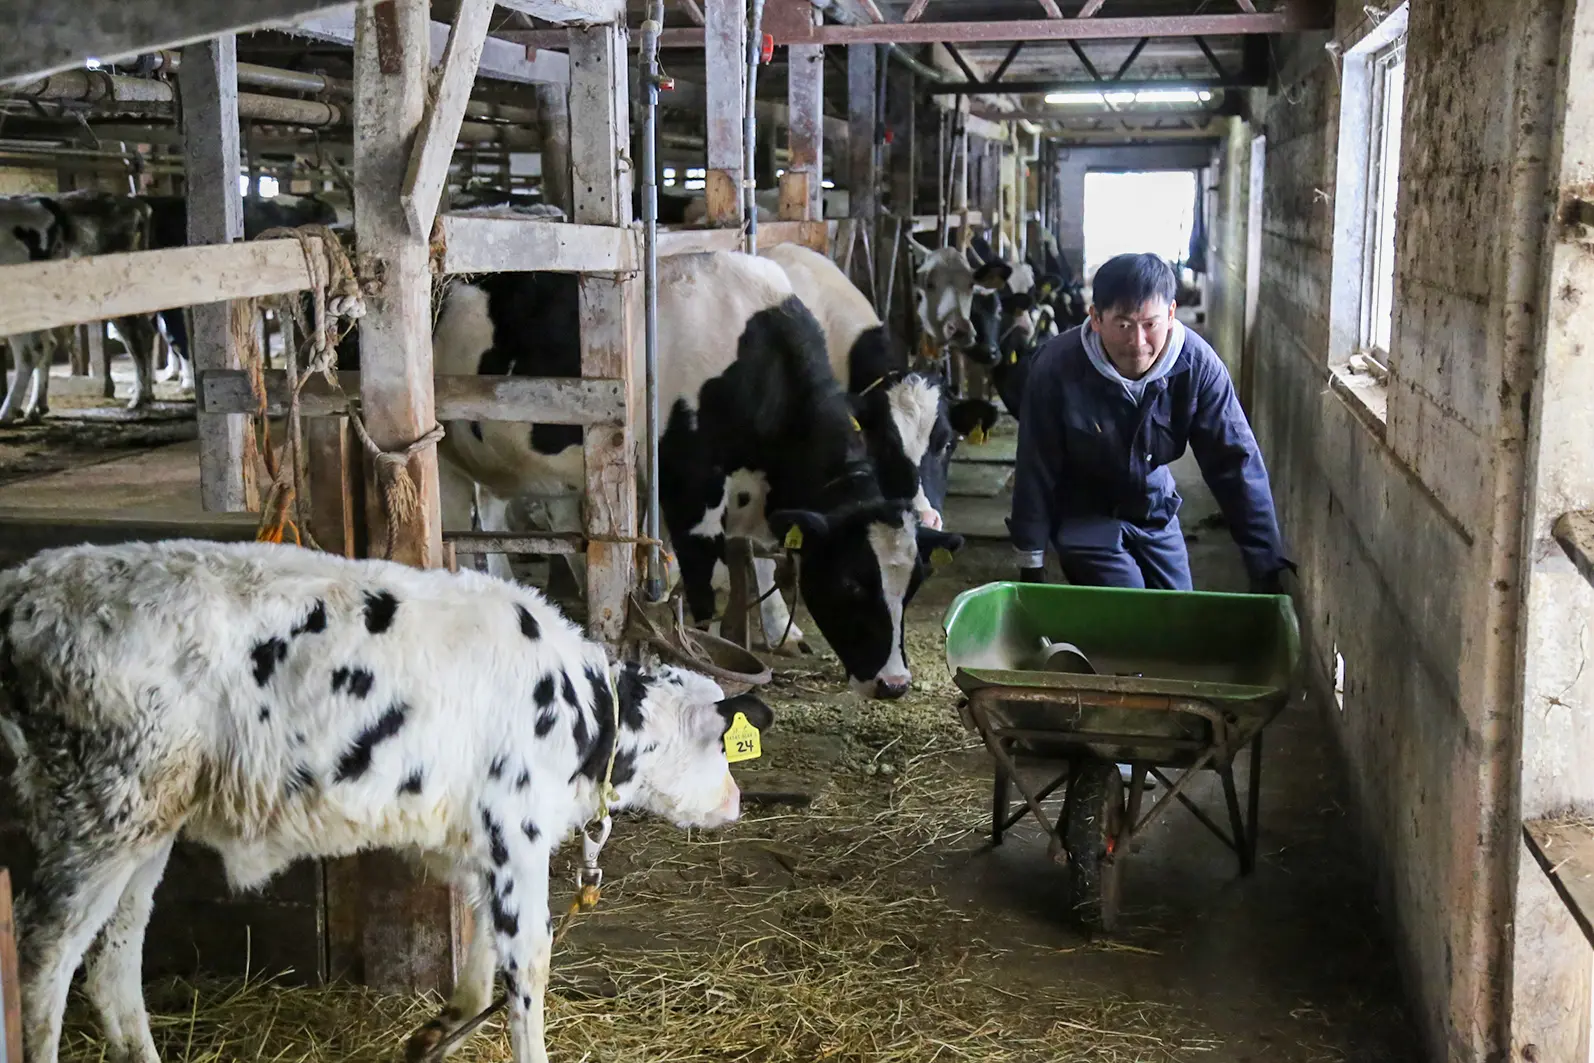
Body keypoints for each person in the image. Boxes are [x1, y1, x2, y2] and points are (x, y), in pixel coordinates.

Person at [1007, 252, 1293, 595]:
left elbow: (1235, 460)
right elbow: (1035, 465)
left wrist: (1264, 561)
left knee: (1178, 612)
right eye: (1124, 324)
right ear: (1095, 318)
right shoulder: (1056, 368)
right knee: (1131, 605)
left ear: (1171, 314)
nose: (1138, 343)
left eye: (1150, 324)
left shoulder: (1197, 367)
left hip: (1155, 509)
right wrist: (1031, 561)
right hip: (1085, 514)